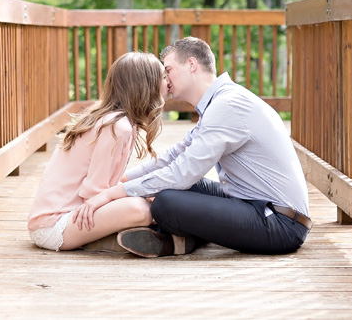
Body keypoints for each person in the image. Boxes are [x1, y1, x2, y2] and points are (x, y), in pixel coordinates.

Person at [76, 36, 311, 258]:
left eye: (168, 70)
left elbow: (182, 173)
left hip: (281, 223)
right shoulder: (219, 101)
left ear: (191, 65)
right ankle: (184, 238)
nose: (165, 81)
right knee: (179, 188)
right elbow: (174, 155)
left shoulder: (227, 105)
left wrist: (112, 193)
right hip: (252, 203)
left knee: (166, 201)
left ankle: (177, 238)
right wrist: (124, 180)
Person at [27, 51, 168, 251]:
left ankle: (110, 239)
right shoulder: (117, 127)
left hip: (72, 215)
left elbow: (109, 183)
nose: (168, 81)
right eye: (163, 77)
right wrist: (142, 197)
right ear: (147, 86)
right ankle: (109, 240)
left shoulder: (119, 121)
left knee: (147, 197)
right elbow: (94, 191)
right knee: (141, 210)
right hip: (56, 224)